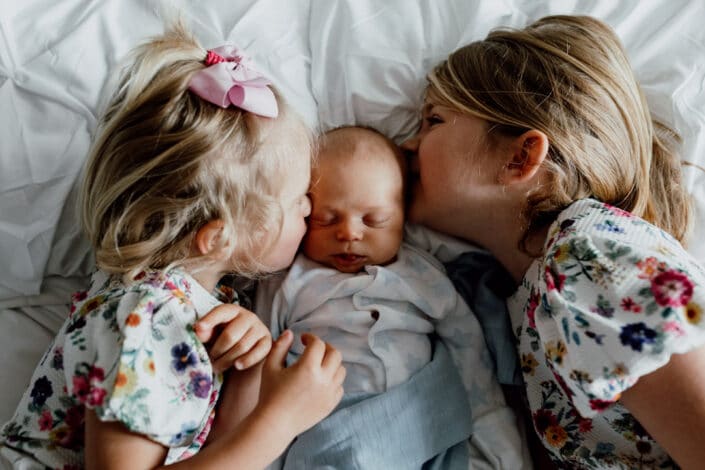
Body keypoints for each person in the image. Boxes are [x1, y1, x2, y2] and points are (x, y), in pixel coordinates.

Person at [0, 24, 345, 470]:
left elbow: (214, 454)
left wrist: (248, 375)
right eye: (298, 197)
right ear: (219, 237)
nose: (310, 206)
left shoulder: (191, 309)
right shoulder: (147, 317)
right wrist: (278, 422)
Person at [401, 14, 705, 469]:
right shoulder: (534, 288)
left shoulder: (588, 259)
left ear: (521, 157)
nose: (407, 144)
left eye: (433, 120)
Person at [258, 126, 527, 469]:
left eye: (374, 220)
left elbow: (468, 349)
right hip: (329, 425)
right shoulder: (289, 281)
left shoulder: (423, 275)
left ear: (402, 217)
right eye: (325, 220)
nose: (349, 233)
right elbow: (264, 363)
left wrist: (495, 427)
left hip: (423, 422)